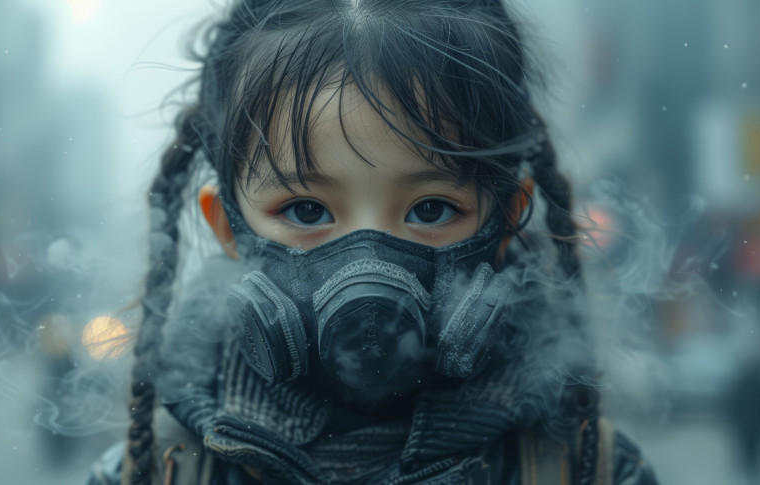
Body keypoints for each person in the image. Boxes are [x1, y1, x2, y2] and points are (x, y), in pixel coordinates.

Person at [89, 0, 658, 483]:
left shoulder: (584, 468)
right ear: (227, 229)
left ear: (505, 220)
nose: (369, 268)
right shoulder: (157, 470)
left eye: (430, 209)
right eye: (306, 209)